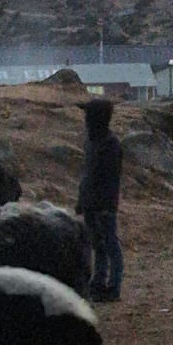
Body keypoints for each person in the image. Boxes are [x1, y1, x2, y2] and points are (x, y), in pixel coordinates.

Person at [76, 97, 123, 301]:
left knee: (110, 246)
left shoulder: (111, 145)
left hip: (103, 205)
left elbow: (111, 180)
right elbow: (87, 176)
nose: (85, 119)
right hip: (90, 203)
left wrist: (106, 205)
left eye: (88, 115)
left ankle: (113, 287)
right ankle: (99, 284)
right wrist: (82, 201)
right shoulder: (92, 142)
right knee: (98, 245)